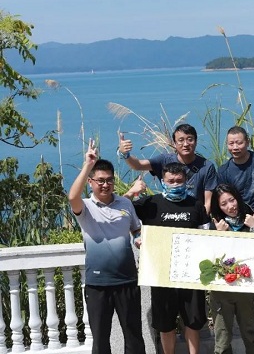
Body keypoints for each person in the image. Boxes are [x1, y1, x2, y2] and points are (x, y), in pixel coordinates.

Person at [68, 139, 145, 354]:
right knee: (101, 340)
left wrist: (139, 238)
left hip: (127, 280)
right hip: (98, 284)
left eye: (109, 180)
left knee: (134, 337)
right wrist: (88, 164)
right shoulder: (85, 207)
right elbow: (72, 196)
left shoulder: (125, 203)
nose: (105, 184)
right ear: (90, 182)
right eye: (100, 180)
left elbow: (135, 229)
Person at [133, 162, 210, 354]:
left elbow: (206, 236)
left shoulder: (196, 204)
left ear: (185, 181)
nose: (175, 184)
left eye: (179, 180)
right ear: (162, 181)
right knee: (165, 323)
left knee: (193, 322)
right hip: (161, 275)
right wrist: (136, 235)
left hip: (191, 274)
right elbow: (119, 212)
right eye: (170, 181)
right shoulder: (149, 203)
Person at [209, 183, 254, 354]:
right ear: (218, 207)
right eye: (224, 204)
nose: (230, 206)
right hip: (221, 290)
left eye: (232, 200)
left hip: (246, 288)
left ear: (238, 198)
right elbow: (208, 257)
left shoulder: (250, 220)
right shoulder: (214, 225)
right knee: (222, 339)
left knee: (250, 333)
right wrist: (218, 235)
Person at [118, 123, 217, 213]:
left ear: (196, 141)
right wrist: (124, 154)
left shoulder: (207, 167)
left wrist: (201, 221)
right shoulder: (164, 160)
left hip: (195, 215)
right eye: (181, 140)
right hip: (168, 214)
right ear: (174, 143)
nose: (186, 144)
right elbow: (138, 165)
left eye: (190, 139)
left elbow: (207, 203)